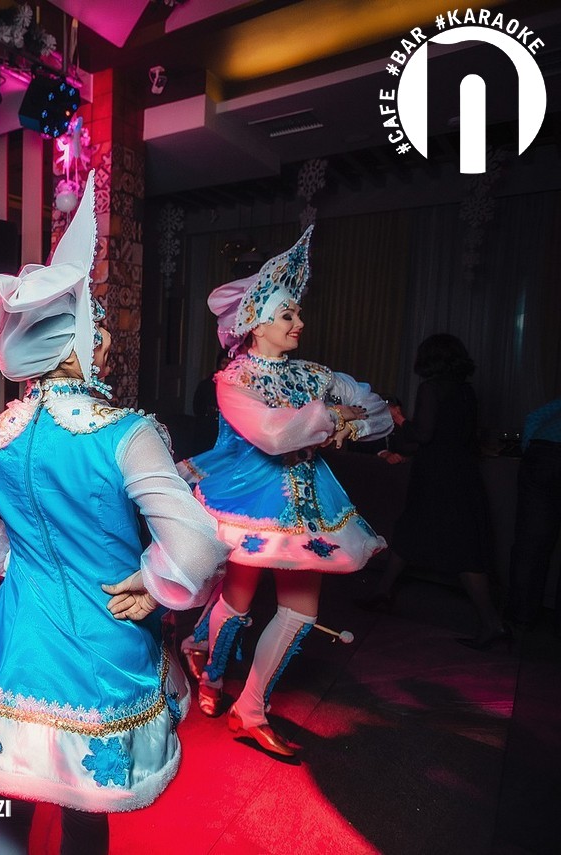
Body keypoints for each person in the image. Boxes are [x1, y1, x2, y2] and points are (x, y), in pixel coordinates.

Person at [0, 174, 228, 854]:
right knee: (84, 805)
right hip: (101, 647)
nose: (105, 345)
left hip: (19, 638)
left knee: (9, 800)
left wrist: (26, 560)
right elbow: (195, 542)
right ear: (76, 345)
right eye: (97, 332)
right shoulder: (126, 433)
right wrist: (155, 583)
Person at [179, 225, 393, 758]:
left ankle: (251, 710)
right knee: (237, 601)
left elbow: (380, 412)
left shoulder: (315, 375)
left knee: (300, 614)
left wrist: (354, 420)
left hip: (309, 507)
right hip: (250, 500)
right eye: (287, 315)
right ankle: (212, 675)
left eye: (297, 313)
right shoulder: (235, 380)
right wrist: (336, 416)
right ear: (255, 323)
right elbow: (273, 435)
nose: (299, 323)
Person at [361, 335, 504, 648]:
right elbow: (454, 435)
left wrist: (398, 417)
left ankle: (492, 623)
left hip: (439, 476)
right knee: (412, 529)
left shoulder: (431, 388)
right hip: (461, 472)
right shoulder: (466, 390)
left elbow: (424, 434)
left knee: (460, 547)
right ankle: (383, 591)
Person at [506, 396, 561, 631]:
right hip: (544, 454)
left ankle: (521, 617)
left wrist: (530, 452)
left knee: (530, 543)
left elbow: (533, 417)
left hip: (543, 452)